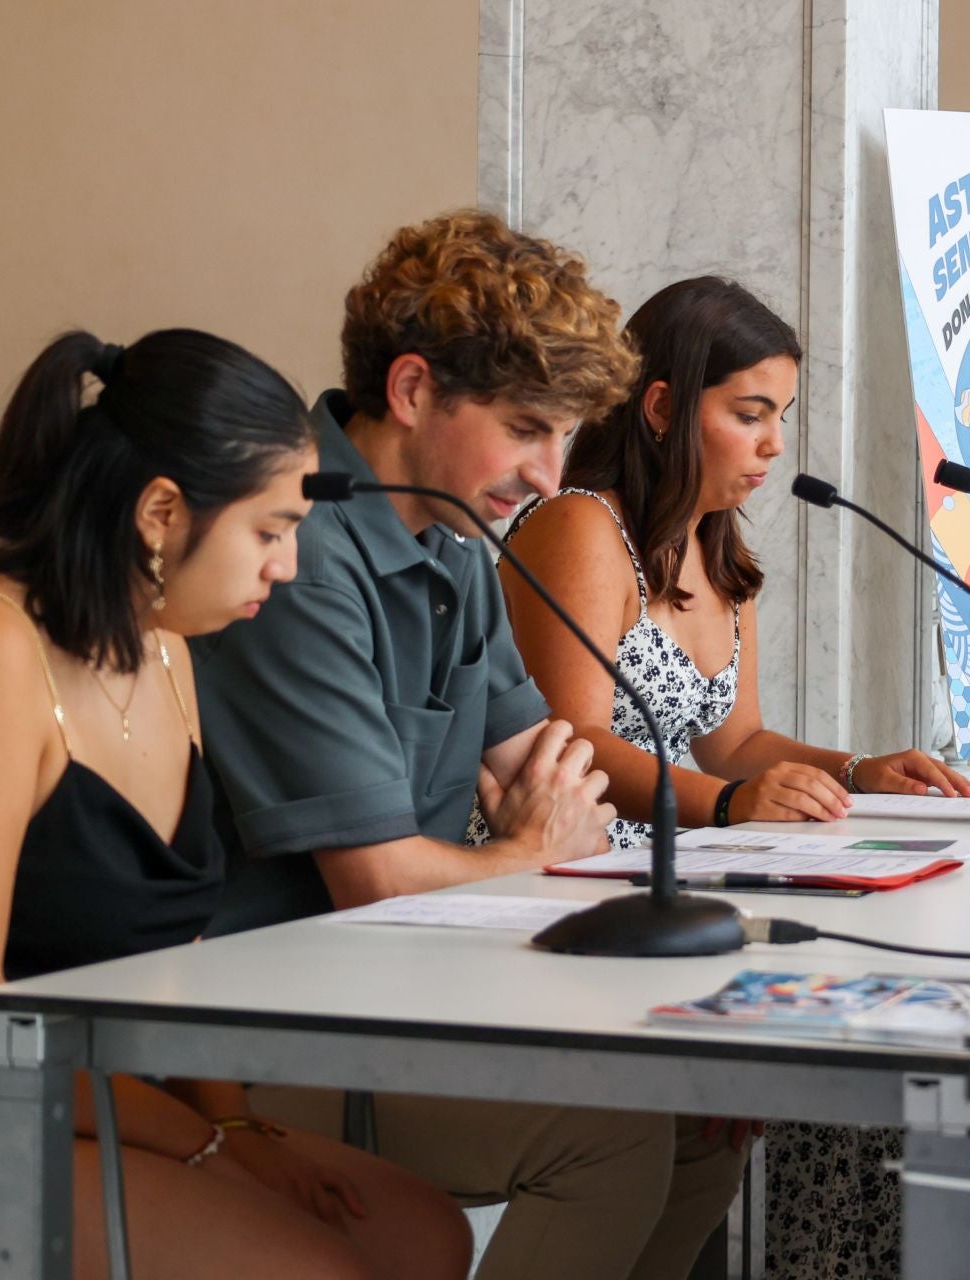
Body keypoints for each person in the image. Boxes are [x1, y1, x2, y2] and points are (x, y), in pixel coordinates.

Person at [0, 330, 471, 1280]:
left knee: (424, 1235)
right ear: (160, 513)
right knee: (317, 1270)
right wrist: (203, 1146)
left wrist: (224, 1119)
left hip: (82, 1099)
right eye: (269, 532)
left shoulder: (167, 650)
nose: (289, 568)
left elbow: (163, 962)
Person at [191, 212, 745, 1280]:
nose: (548, 476)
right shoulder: (292, 545)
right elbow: (379, 878)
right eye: (527, 428)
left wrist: (525, 836)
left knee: (706, 1109)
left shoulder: (449, 537)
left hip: (422, 980)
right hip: (270, 1026)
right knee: (608, 1133)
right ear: (410, 392)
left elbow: (554, 773)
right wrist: (522, 847)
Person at [491, 275, 970, 1277]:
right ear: (665, 407)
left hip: (688, 877)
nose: (774, 445)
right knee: (675, 1137)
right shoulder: (582, 526)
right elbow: (573, 739)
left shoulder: (718, 551)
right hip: (576, 882)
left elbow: (737, 741)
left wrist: (855, 769)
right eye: (750, 414)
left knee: (718, 1143)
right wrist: (729, 807)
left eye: (781, 418)